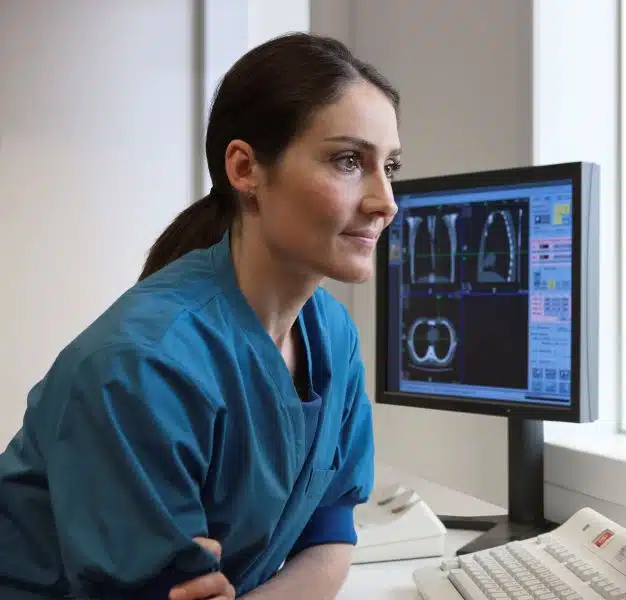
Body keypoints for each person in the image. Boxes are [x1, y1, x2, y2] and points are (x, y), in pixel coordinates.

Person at [0, 32, 402, 600]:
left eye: (391, 165)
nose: (385, 200)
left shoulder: (332, 337)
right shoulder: (141, 365)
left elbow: (331, 532)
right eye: (348, 161)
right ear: (245, 169)